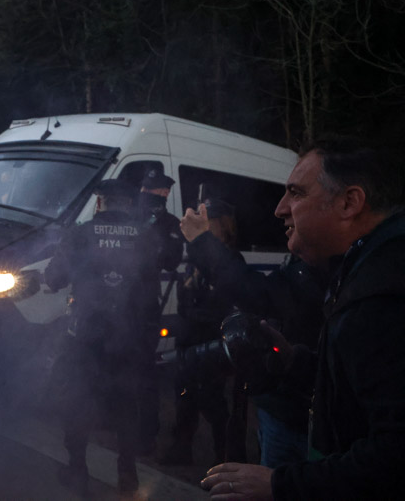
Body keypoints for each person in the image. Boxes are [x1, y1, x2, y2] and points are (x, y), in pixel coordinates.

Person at [202, 138, 405, 500]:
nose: (279, 210)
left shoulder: (382, 295)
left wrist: (280, 484)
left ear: (349, 203)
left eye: (295, 193)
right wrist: (296, 362)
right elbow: (358, 389)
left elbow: (394, 451)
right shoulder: (365, 264)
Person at [180, 199, 327, 469]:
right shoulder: (300, 263)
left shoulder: (335, 269)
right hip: (281, 408)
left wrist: (202, 242)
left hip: (311, 416)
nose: (280, 209)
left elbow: (252, 293)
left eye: (297, 194)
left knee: (220, 411)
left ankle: (225, 457)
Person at [44, 178, 159, 496]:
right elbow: (153, 290)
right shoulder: (146, 237)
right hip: (128, 336)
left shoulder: (81, 234)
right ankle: (127, 474)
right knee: (125, 406)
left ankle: (78, 470)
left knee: (77, 401)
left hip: (85, 336)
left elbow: (54, 278)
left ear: (101, 202)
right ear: (129, 204)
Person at [159, 198, 235, 466]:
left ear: (222, 228)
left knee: (214, 402)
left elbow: (222, 305)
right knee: (185, 397)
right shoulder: (195, 260)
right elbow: (185, 299)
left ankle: (225, 456)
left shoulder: (228, 261)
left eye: (208, 225)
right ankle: (182, 448)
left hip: (212, 342)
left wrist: (195, 316)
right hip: (189, 338)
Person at [136, 166, 184, 453]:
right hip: (130, 304)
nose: (154, 195)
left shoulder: (167, 223)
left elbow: (170, 262)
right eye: (151, 190)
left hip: (140, 304)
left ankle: (145, 433)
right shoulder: (136, 217)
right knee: (134, 368)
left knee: (141, 369)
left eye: (157, 191)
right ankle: (133, 429)